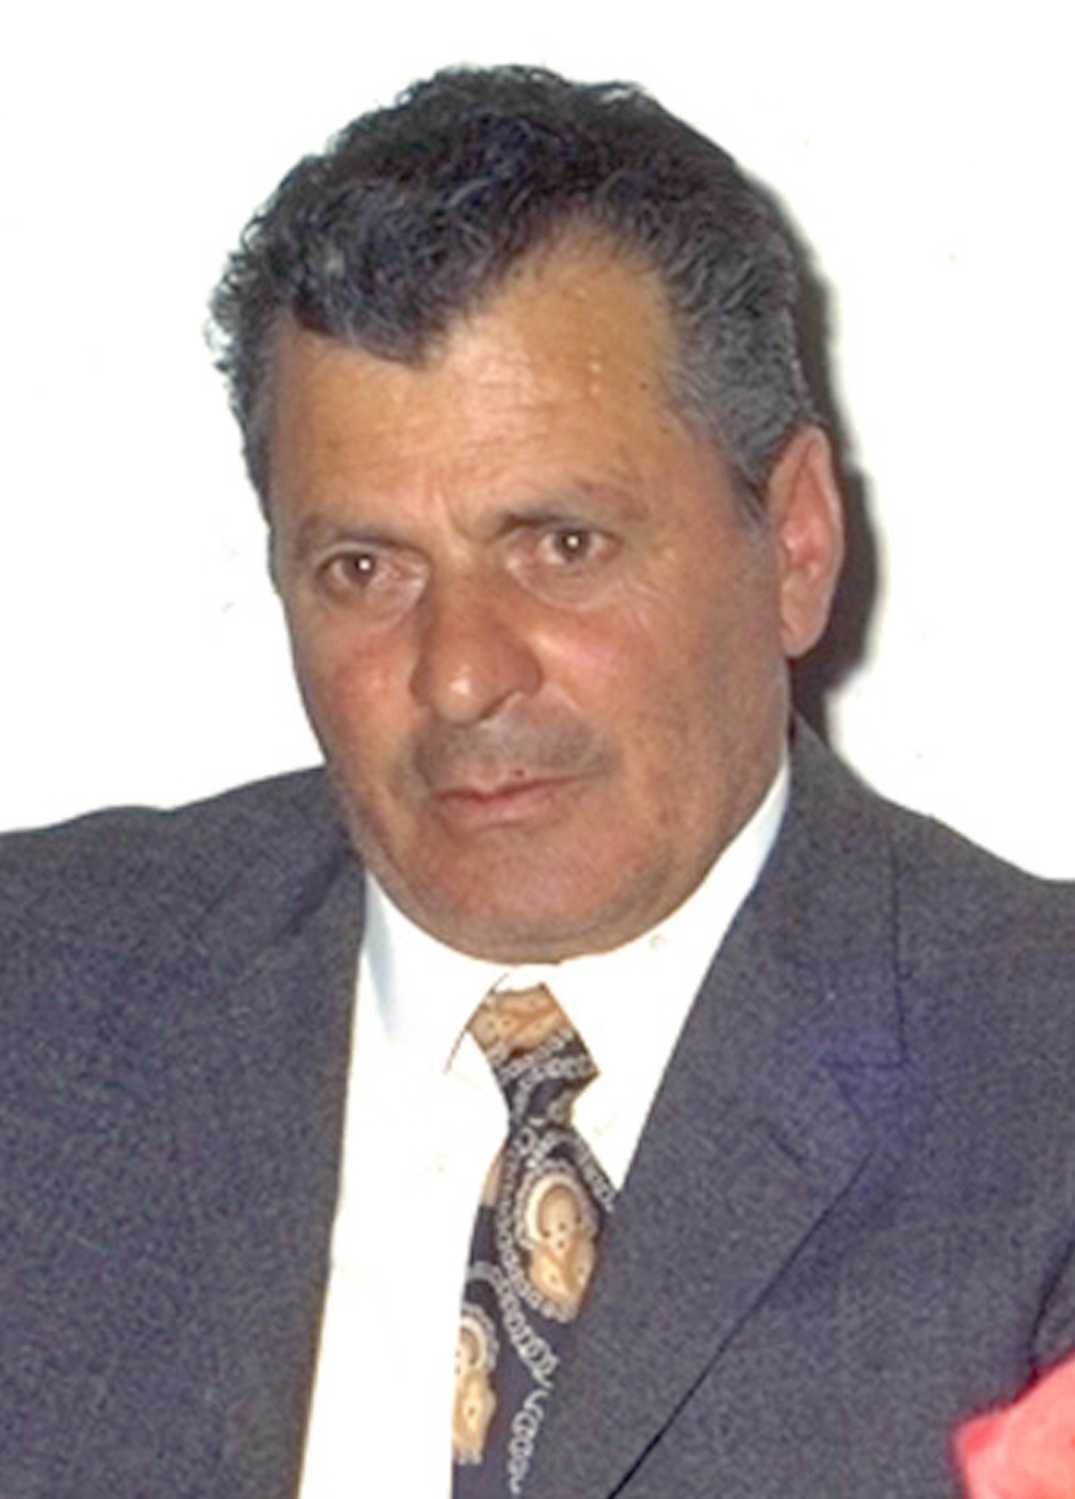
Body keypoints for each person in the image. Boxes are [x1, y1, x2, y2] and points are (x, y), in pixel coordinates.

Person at [1, 63, 1073, 1499]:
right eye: (364, 569)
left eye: (561, 546)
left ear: (796, 543)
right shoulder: (38, 1005)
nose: (460, 675)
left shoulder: (1038, 1084)